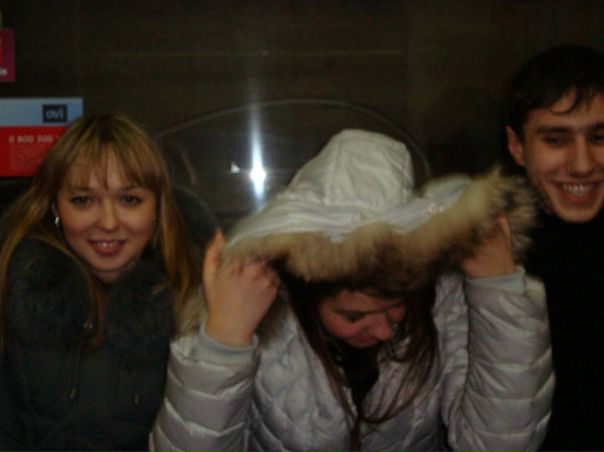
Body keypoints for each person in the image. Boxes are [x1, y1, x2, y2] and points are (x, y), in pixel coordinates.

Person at [151, 128, 553, 452]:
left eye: (395, 307)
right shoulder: (262, 313)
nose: (383, 330)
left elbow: (502, 444)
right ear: (305, 296)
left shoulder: (444, 300)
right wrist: (224, 341)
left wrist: (499, 290)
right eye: (353, 315)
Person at [0, 113, 216, 451]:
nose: (109, 222)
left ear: (158, 209)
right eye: (83, 200)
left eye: (129, 200)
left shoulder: (199, 302)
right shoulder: (11, 286)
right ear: (55, 207)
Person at [503, 44, 604, 451]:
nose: (582, 164)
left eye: (600, 137)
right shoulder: (492, 258)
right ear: (517, 147)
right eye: (556, 139)